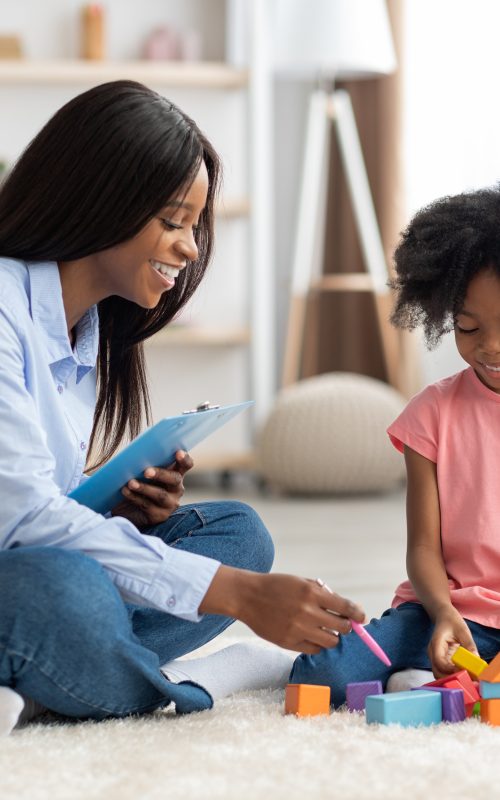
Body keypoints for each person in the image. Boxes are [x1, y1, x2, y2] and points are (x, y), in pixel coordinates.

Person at [0, 80, 365, 735]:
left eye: (194, 226)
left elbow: (29, 500)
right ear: (97, 201)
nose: (191, 248)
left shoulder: (87, 331)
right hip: (28, 582)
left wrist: (114, 504)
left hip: (30, 563)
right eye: (172, 221)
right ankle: (197, 679)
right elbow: (23, 520)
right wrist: (239, 595)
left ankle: (44, 685)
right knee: (62, 594)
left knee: (239, 534)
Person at [291, 186, 500, 706]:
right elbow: (424, 548)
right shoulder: (432, 413)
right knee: (320, 677)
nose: (491, 346)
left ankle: (425, 683)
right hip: (444, 611)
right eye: (469, 327)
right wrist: (445, 614)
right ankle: (421, 673)